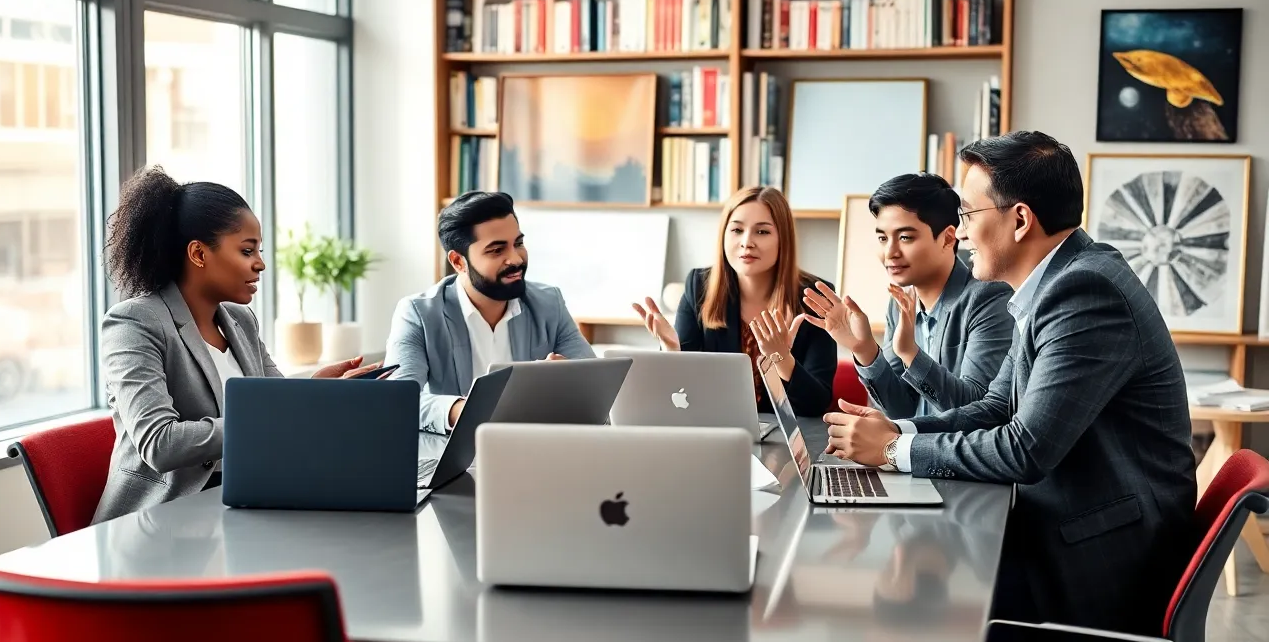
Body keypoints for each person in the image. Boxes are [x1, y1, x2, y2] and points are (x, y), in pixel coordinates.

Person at [817, 131, 1196, 638]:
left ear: (1019, 220)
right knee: (893, 577)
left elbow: (1026, 449)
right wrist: (899, 428)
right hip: (1066, 524)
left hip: (1098, 556)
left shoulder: (1084, 291)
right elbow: (998, 404)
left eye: (969, 216)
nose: (963, 234)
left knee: (900, 609)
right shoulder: (1053, 284)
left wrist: (894, 451)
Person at [93, 166, 380, 524]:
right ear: (199, 254)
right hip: (162, 521)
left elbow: (276, 405)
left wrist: (317, 393)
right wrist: (272, 419)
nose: (260, 264)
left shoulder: (240, 321)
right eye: (247, 251)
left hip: (241, 502)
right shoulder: (134, 323)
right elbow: (160, 444)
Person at [804, 173, 1014, 418]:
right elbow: (900, 409)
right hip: (909, 450)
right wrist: (864, 350)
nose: (890, 252)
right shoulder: (899, 304)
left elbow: (977, 411)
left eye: (905, 237)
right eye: (883, 238)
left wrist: (910, 353)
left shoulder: (988, 298)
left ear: (947, 238)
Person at [384, 191, 593, 434]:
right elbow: (398, 401)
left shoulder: (549, 303)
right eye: (496, 250)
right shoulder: (418, 314)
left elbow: (597, 386)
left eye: (518, 243)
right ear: (458, 262)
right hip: (454, 460)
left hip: (536, 448)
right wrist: (465, 410)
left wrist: (570, 381)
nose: (515, 259)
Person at [632, 186, 838, 416]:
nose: (746, 242)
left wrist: (782, 358)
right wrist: (672, 349)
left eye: (762, 232)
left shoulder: (815, 296)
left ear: (784, 239)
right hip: (714, 431)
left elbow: (817, 404)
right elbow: (679, 394)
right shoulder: (699, 286)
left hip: (785, 442)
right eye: (737, 230)